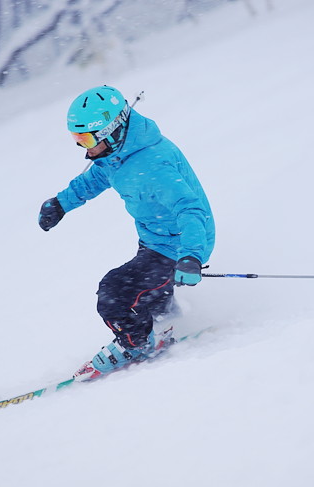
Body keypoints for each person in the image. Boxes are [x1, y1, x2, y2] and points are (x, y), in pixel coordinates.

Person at [38, 85, 215, 380]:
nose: (83, 147)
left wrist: (191, 256)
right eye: (77, 139)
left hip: (180, 246)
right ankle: (167, 322)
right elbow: (93, 180)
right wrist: (60, 205)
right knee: (146, 292)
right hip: (154, 239)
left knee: (114, 293)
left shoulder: (153, 163)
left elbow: (190, 210)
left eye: (86, 138)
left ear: (113, 129)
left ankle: (135, 344)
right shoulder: (115, 154)